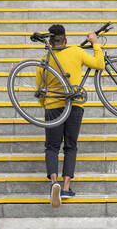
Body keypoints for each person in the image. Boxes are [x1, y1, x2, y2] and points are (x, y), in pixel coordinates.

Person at [35, 24, 105, 208]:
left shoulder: (44, 60)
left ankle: (54, 184)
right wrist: (95, 43)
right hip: (74, 106)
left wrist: (47, 106)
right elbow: (99, 64)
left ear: (50, 42)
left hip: (53, 107)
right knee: (71, 146)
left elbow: (39, 91)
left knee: (51, 147)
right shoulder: (75, 51)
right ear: (65, 40)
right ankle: (66, 187)